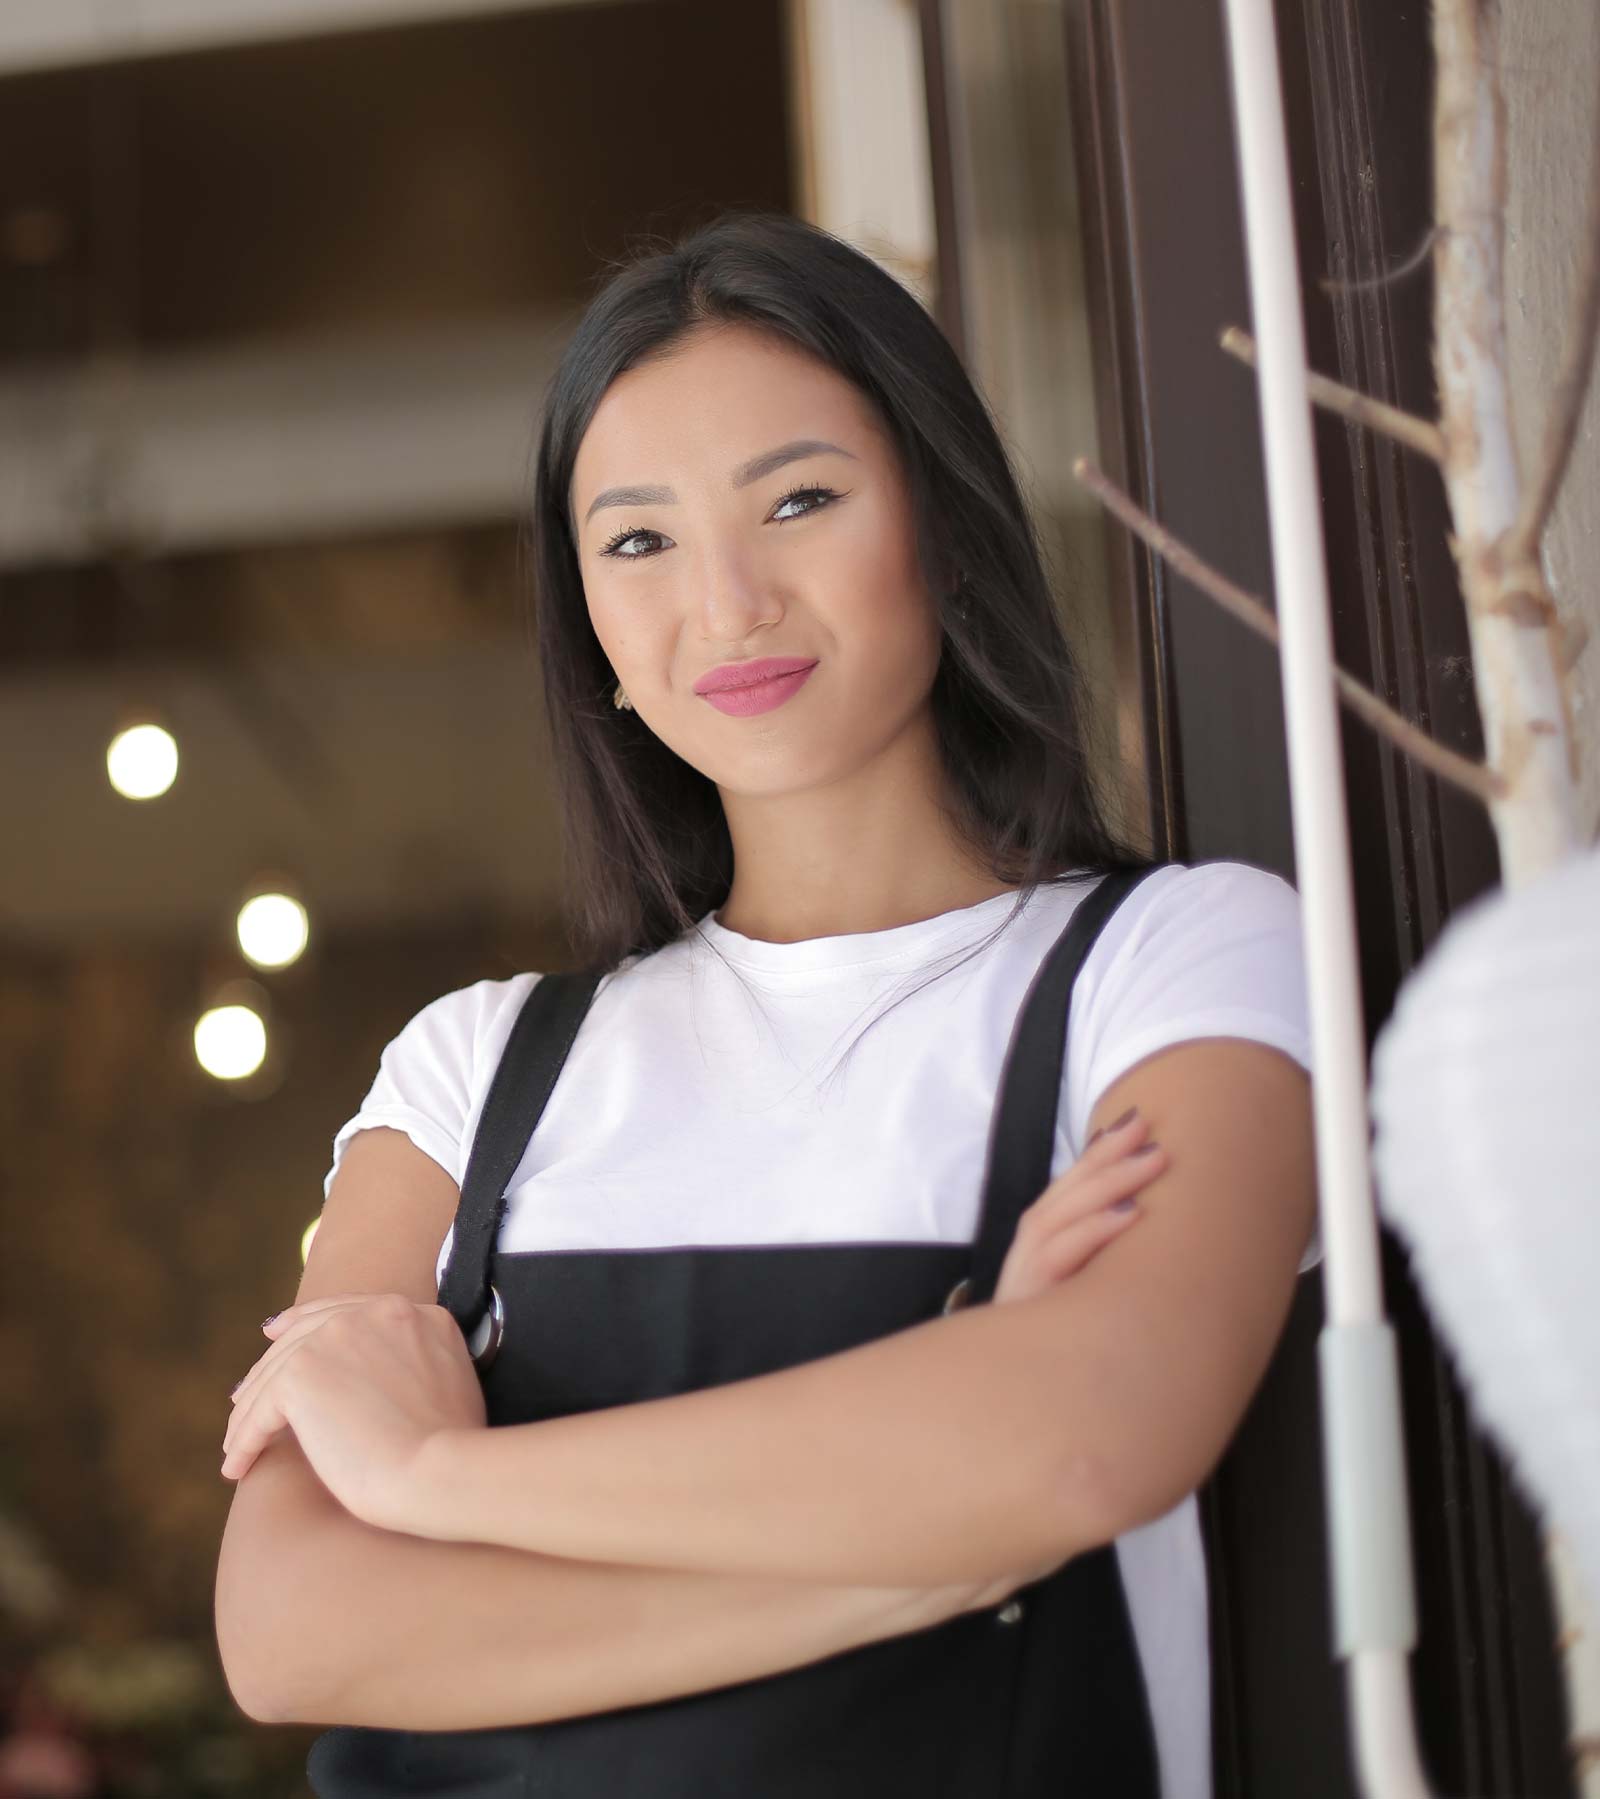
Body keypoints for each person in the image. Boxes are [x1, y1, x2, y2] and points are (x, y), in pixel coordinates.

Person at [214, 209, 1319, 1799]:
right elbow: (295, 1631)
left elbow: (1087, 1441)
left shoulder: (1176, 964)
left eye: (799, 500)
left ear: (940, 523)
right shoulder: (478, 1070)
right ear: (588, 621)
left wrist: (437, 1472)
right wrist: (931, 1542)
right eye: (639, 539)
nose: (725, 606)